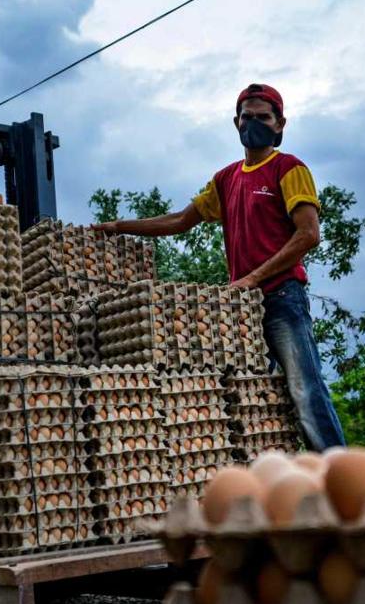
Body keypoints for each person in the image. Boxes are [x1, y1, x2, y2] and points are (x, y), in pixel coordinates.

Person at [93, 83, 346, 451]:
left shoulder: (289, 169)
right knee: (257, 399)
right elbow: (180, 220)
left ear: (280, 124)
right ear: (236, 123)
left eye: (264, 117)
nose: (254, 123)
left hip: (281, 298)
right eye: (248, 117)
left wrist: (255, 277)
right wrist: (119, 227)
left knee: (305, 390)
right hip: (240, 311)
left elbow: (308, 235)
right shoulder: (227, 179)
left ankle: (339, 476)